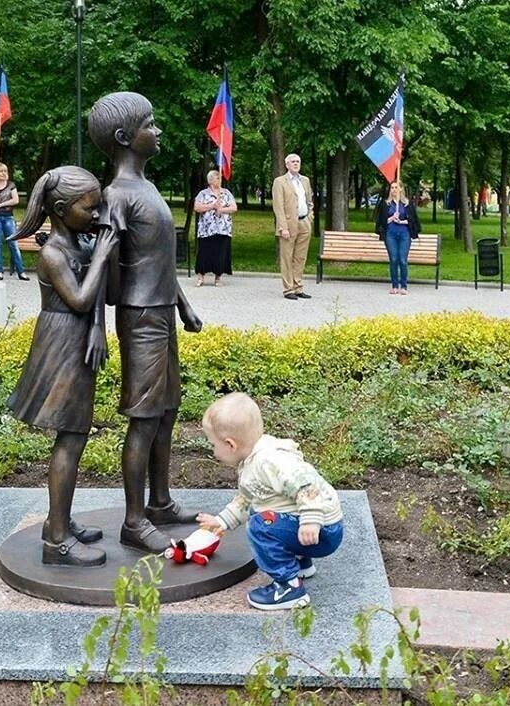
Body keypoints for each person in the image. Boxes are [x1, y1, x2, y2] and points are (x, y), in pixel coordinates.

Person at [88, 91, 204, 553]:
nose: (158, 131)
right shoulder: (115, 196)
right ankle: (134, 521)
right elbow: (101, 265)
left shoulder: (148, 188)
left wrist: (182, 303)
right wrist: (96, 325)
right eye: (149, 124)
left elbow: (157, 260)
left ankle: (159, 502)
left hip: (160, 312)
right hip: (138, 318)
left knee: (167, 410)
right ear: (124, 137)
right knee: (143, 417)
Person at [8, 166, 119, 566]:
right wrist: (103, 255)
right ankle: (57, 540)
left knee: (76, 435)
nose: (96, 215)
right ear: (59, 208)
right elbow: (81, 299)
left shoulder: (77, 244)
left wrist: (99, 330)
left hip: (76, 339)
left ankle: (59, 521)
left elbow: (99, 299)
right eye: (89, 209)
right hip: (60, 344)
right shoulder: (54, 253)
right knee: (70, 437)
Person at [196, 393, 344, 611]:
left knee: (261, 524)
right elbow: (247, 499)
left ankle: (289, 587)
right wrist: (222, 521)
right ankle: (300, 563)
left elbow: (305, 484)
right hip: (314, 528)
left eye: (213, 445)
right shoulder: (253, 458)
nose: (213, 451)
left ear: (230, 444)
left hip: (322, 530)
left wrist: (311, 519)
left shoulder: (270, 461)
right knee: (264, 510)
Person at [272, 153, 313, 300]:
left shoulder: (305, 181)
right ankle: (288, 289)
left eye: (298, 161)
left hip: (304, 222)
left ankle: (298, 286)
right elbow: (278, 206)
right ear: (287, 164)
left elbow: (310, 201)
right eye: (293, 162)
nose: (296, 164)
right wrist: (283, 227)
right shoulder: (280, 181)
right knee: (287, 257)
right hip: (288, 224)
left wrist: (310, 217)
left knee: (300, 257)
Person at [374, 181, 421, 295]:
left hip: (404, 234)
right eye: (392, 188)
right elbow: (380, 222)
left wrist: (401, 221)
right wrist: (391, 218)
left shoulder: (407, 204)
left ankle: (403, 286)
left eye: (396, 187)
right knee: (394, 260)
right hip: (391, 234)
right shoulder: (386, 204)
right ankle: (394, 286)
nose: (394, 189)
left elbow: (413, 221)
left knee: (402, 260)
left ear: (401, 189)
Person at [0, 162, 29, 281]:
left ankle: (21, 271)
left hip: (8, 217)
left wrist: (0, 205)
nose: (4, 173)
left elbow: (15, 200)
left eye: (5, 171)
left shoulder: (11, 185)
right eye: (1, 171)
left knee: (13, 244)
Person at [193, 169, 236, 287]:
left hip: (223, 229)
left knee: (220, 253)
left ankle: (218, 278)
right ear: (211, 180)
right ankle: (201, 277)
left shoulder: (226, 193)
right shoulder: (203, 194)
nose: (220, 180)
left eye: (220, 178)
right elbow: (197, 207)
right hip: (206, 229)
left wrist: (221, 209)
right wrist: (212, 206)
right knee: (204, 253)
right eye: (218, 178)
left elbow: (234, 207)